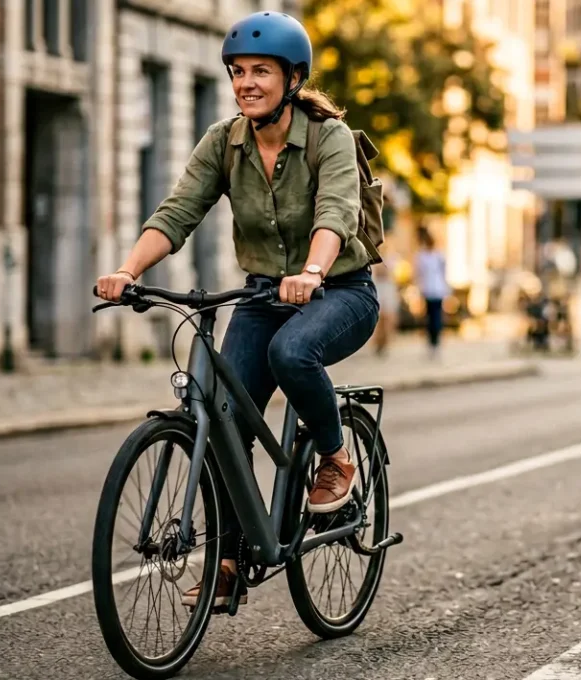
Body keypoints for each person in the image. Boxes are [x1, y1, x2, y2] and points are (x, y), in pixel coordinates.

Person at [93, 11, 377, 607]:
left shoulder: (329, 139)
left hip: (341, 290)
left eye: (261, 72)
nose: (247, 82)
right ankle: (227, 561)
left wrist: (312, 272)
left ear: (292, 79)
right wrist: (127, 272)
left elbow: (337, 214)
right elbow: (177, 212)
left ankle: (334, 458)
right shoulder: (224, 142)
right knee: (220, 417)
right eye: (238, 71)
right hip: (259, 294)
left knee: (292, 351)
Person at [414, 228, 449, 358]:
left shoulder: (434, 256)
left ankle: (435, 342)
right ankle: (433, 342)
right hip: (431, 290)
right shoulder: (425, 256)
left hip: (434, 290)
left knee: (434, 317)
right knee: (433, 317)